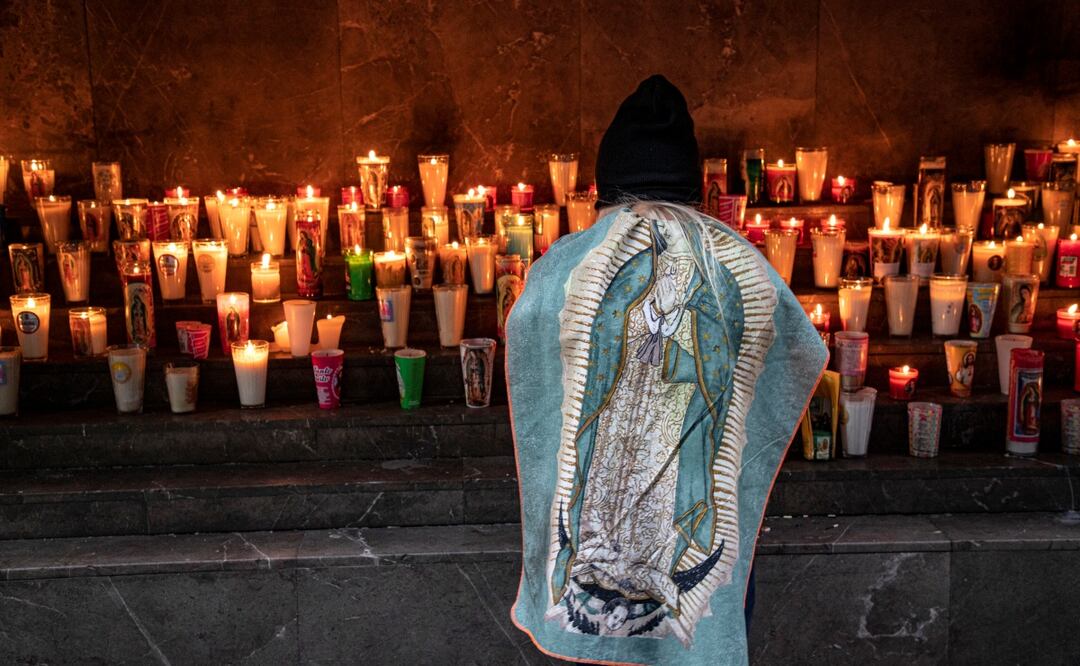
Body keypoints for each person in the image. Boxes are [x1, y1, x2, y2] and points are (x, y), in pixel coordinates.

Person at [507, 75, 828, 665]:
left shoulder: (571, 261)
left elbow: (529, 339)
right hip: (641, 430)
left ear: (607, 184)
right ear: (692, 185)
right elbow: (800, 347)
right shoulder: (743, 263)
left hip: (661, 420)